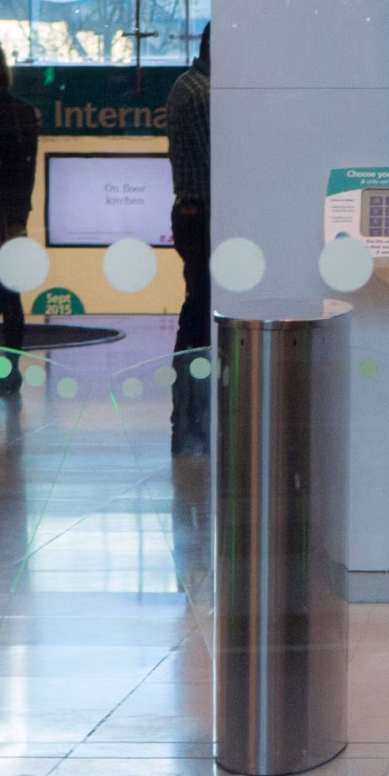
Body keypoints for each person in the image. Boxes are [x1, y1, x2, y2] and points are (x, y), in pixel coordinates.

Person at [166, 25, 212, 455]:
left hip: (193, 213)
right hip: (202, 214)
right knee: (199, 313)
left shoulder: (189, 84)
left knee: (196, 308)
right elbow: (222, 155)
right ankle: (190, 408)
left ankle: (190, 407)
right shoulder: (202, 93)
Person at [0, 42, 39, 394]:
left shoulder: (19, 113)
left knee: (10, 291)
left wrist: (19, 215)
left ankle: (11, 369)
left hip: (6, 214)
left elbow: (26, 170)